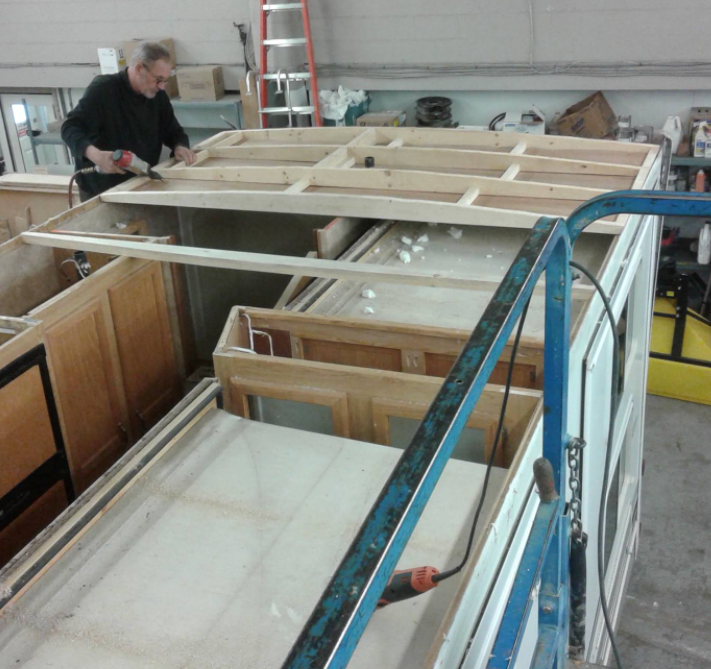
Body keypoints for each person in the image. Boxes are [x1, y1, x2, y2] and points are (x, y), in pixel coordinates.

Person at [62, 41, 197, 200]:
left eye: (165, 80)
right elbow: (69, 127)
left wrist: (179, 146)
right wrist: (96, 155)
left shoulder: (157, 96)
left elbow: (173, 131)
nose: (162, 86)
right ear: (140, 68)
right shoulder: (104, 90)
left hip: (139, 186)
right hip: (102, 193)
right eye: (158, 79)